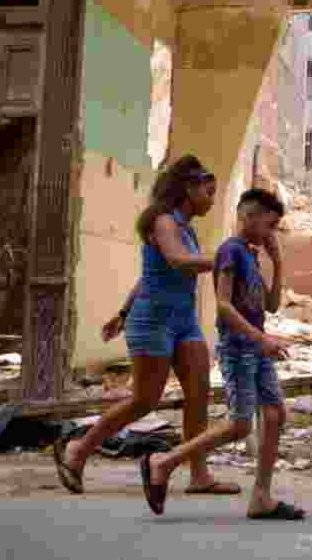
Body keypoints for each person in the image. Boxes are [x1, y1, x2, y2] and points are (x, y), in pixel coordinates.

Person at [54, 155, 240, 497]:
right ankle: (79, 449)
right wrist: (224, 258)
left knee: (198, 395)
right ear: (189, 189)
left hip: (183, 322)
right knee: (144, 400)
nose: (212, 200)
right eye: (208, 192)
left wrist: (122, 312)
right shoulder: (163, 221)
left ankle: (199, 474)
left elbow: (149, 275)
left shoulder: (186, 228)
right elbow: (176, 261)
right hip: (153, 321)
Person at [140, 188, 303, 520]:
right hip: (239, 348)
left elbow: (271, 305)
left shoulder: (251, 255)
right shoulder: (230, 251)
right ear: (248, 217)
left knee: (274, 415)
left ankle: (261, 497)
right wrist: (261, 339)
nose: (271, 234)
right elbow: (224, 306)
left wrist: (277, 261)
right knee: (240, 425)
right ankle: (164, 462)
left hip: (257, 348)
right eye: (269, 225)